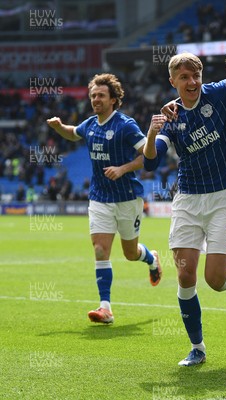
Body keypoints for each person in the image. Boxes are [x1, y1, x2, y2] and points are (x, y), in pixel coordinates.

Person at [144, 52, 226, 367]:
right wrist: (153, 131)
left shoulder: (219, 92)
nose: (191, 82)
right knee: (185, 274)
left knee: (215, 280)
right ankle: (198, 348)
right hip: (188, 200)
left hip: (223, 198)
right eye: (184, 77)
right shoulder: (172, 116)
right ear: (172, 81)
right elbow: (151, 161)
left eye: (196, 76)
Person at [46, 73, 162, 325]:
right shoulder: (89, 124)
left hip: (127, 197)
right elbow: (72, 133)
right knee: (100, 250)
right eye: (92, 96)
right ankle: (105, 307)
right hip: (99, 197)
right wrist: (58, 127)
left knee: (131, 253)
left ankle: (152, 258)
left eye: (100, 95)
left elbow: (148, 156)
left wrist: (122, 169)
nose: (95, 99)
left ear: (113, 99)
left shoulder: (125, 125)